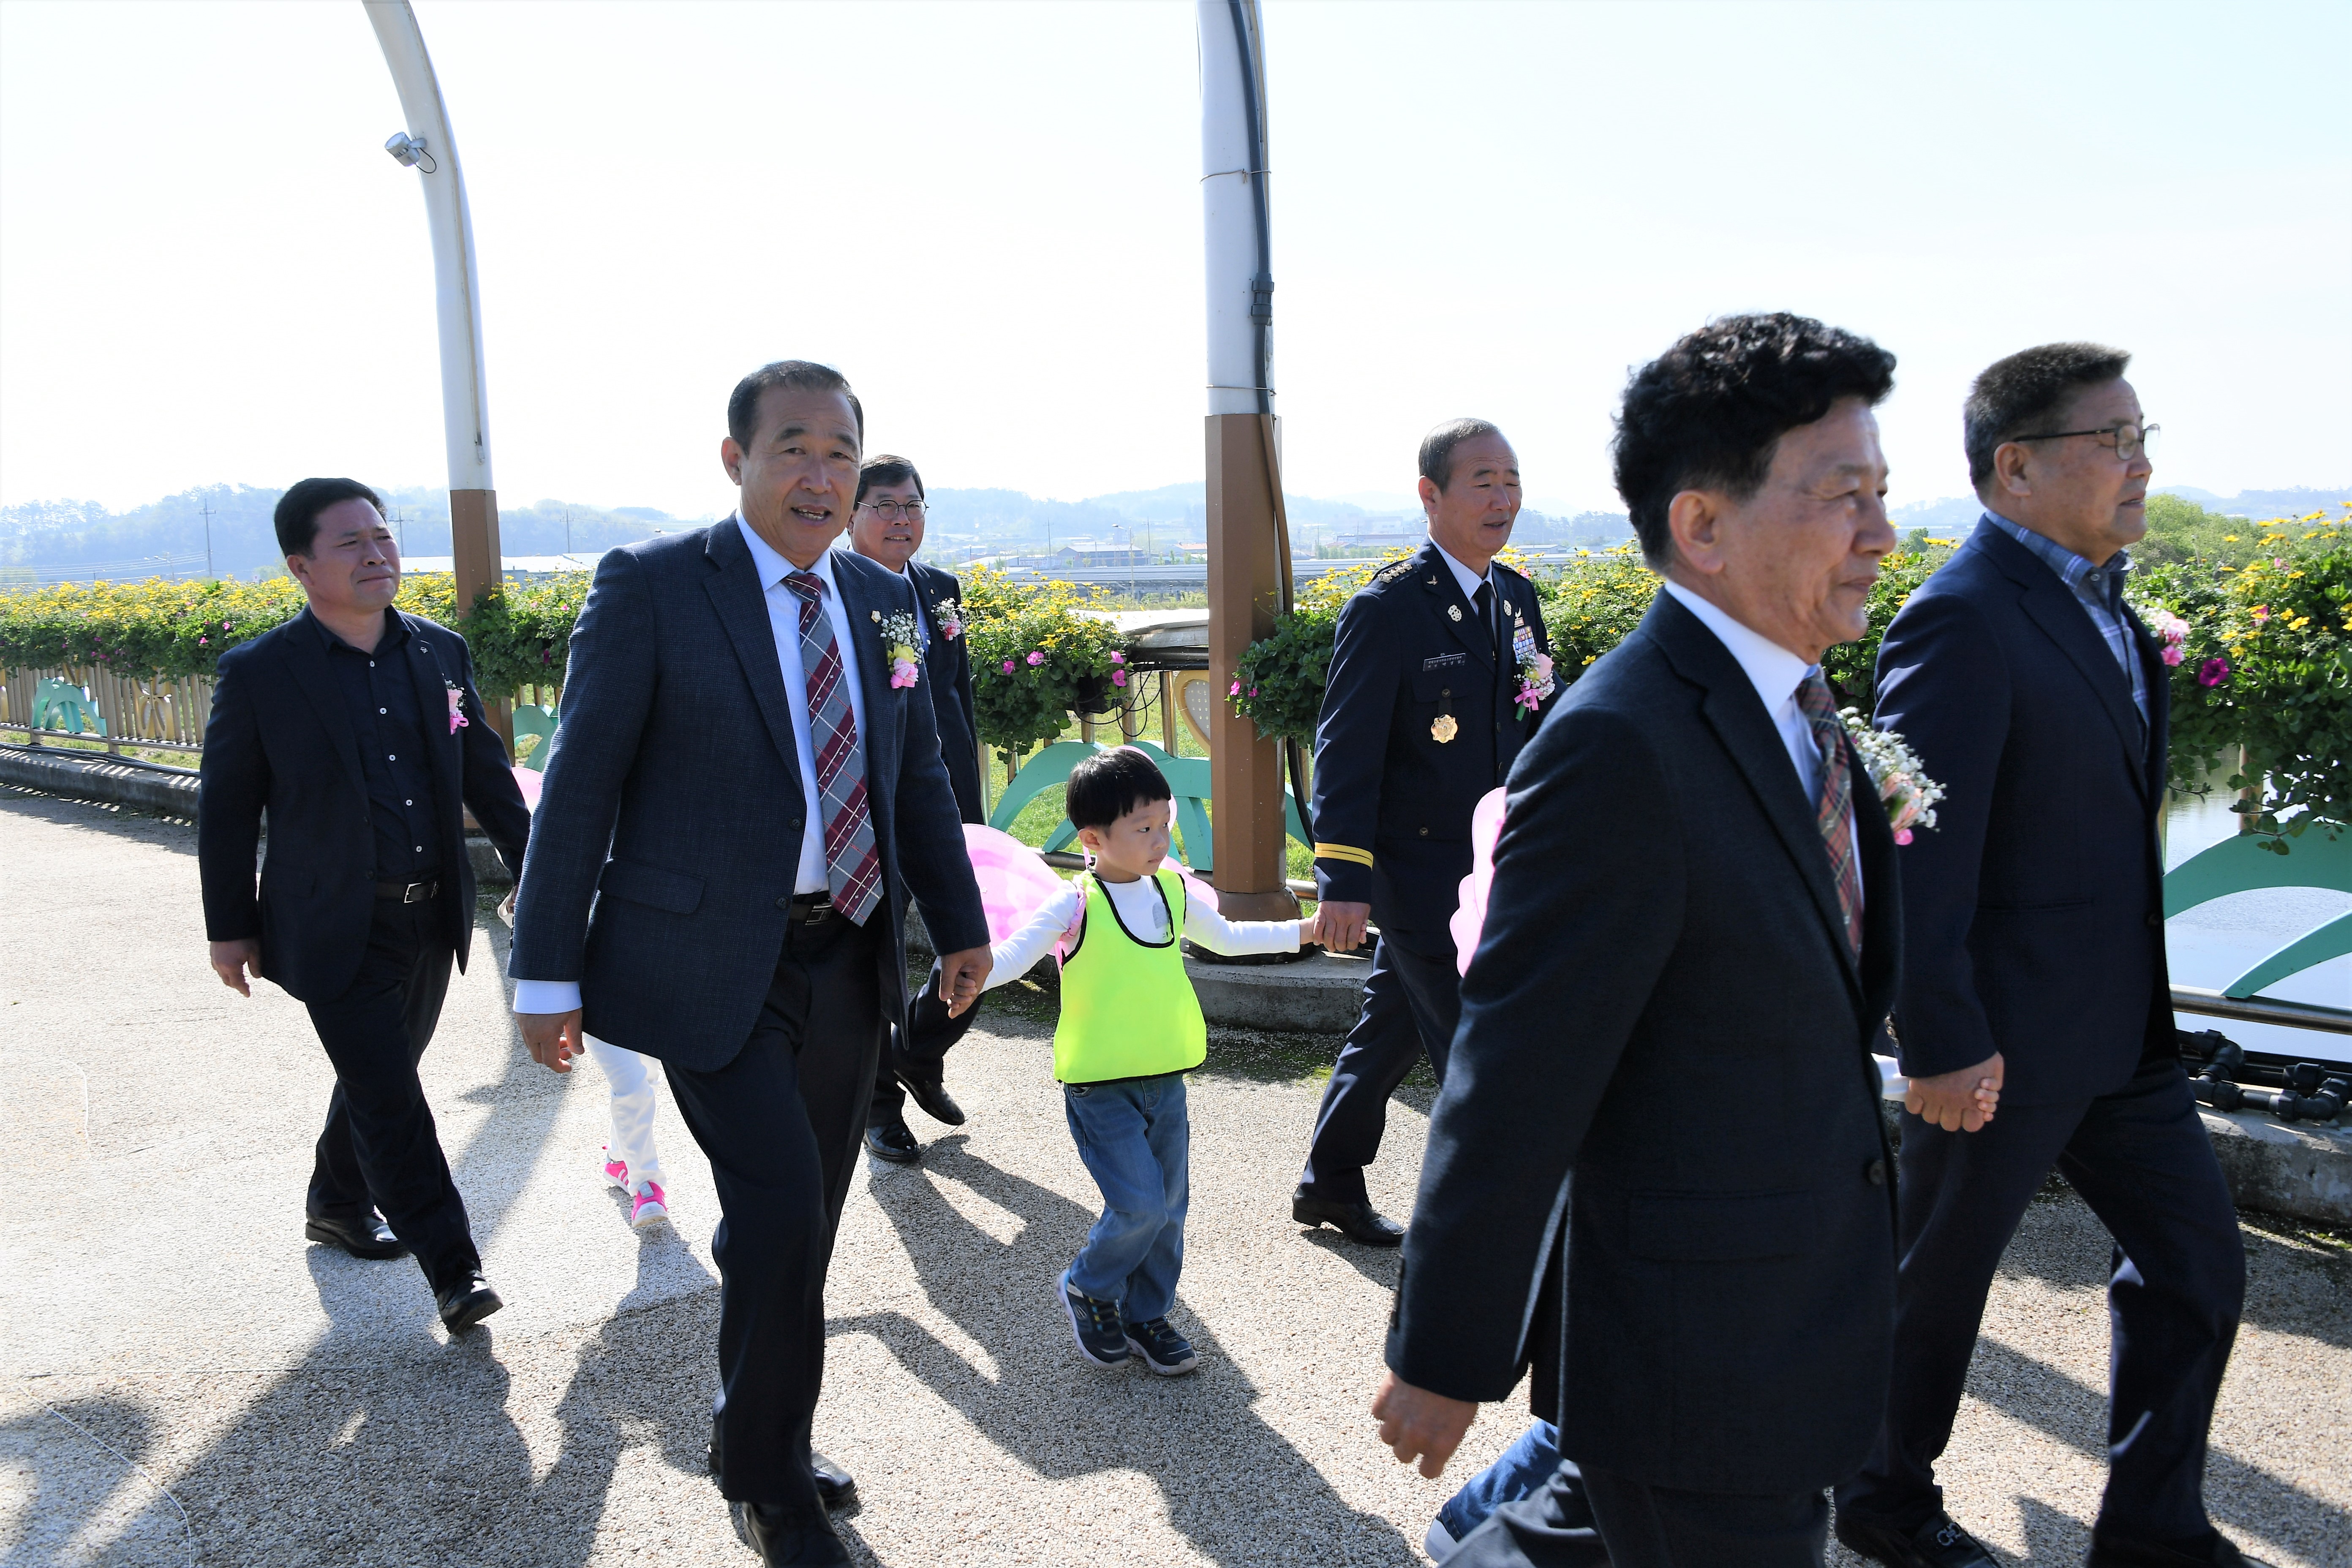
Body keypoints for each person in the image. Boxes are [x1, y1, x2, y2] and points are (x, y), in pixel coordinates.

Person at [1375, 313, 1913, 1568]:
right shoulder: (1624, 744)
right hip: (1699, 1360)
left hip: (1779, 1320)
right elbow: (1517, 1070)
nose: (1880, 534)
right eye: (1843, 498)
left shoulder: (1797, 704)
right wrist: (1446, 1351)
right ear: (1704, 525)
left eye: (1882, 494)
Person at [507, 361, 991, 1568]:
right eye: (794, 449)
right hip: (710, 962)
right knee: (776, 1213)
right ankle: (771, 1485)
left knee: (804, 1227)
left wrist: (963, 921)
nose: (821, 476)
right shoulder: (660, 586)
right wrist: (545, 970)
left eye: (840, 451)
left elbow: (917, 774)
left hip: (848, 958)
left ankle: (756, 1429)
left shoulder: (883, 603)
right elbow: (580, 782)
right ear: (737, 461)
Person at [1836, 345, 2248, 1568]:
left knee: (2195, 1270)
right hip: (2001, 1044)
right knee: (1933, 1288)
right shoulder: (1962, 620)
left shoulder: (2108, 602)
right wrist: (1945, 1036)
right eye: (2111, 441)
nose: (2141, 464)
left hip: (2123, 1039)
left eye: (2141, 436)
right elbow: (1918, 848)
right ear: (2014, 469)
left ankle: (2153, 1528)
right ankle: (1882, 1496)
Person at [199, 477, 530, 1334]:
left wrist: (545, 873)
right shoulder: (263, 673)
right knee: (391, 1095)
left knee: (378, 1075)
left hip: (429, 915)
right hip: (332, 922)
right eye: (351, 543)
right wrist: (229, 924)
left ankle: (336, 1200)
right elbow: (229, 807)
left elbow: (486, 773)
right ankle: (455, 1267)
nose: (377, 552)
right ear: (302, 565)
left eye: (382, 537)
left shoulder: (438, 652)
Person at [1294, 418, 1554, 1246]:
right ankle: (1491, 1229)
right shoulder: (1390, 609)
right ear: (1430, 495)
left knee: (1393, 1024)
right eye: (1483, 480)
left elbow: (1539, 720)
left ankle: (1330, 1178)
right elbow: (1346, 748)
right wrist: (1342, 879)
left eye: (1511, 480)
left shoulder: (1516, 599)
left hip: (1493, 867)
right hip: (1419, 872)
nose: (1502, 497)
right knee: (1475, 1044)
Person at [977, 747, 1316, 1374]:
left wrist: (1307, 931)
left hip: (1166, 1078)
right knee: (1140, 1206)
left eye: (1165, 824)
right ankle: (1090, 1284)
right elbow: (1016, 954)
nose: (1161, 840)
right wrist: (973, 977)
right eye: (1143, 829)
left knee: (1169, 1213)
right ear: (1092, 838)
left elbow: (1230, 938)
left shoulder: (1172, 891)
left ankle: (1147, 1315)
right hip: (1099, 1087)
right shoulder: (1074, 904)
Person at [845, 453, 989, 1167]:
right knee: (877, 963)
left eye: (913, 507)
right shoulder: (839, 596)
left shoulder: (940, 590)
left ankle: (921, 1051)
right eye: (885, 506)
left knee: (982, 938)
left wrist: (970, 802)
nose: (901, 520)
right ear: (851, 514)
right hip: (866, 814)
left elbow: (957, 700)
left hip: (945, 804)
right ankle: (877, 1107)